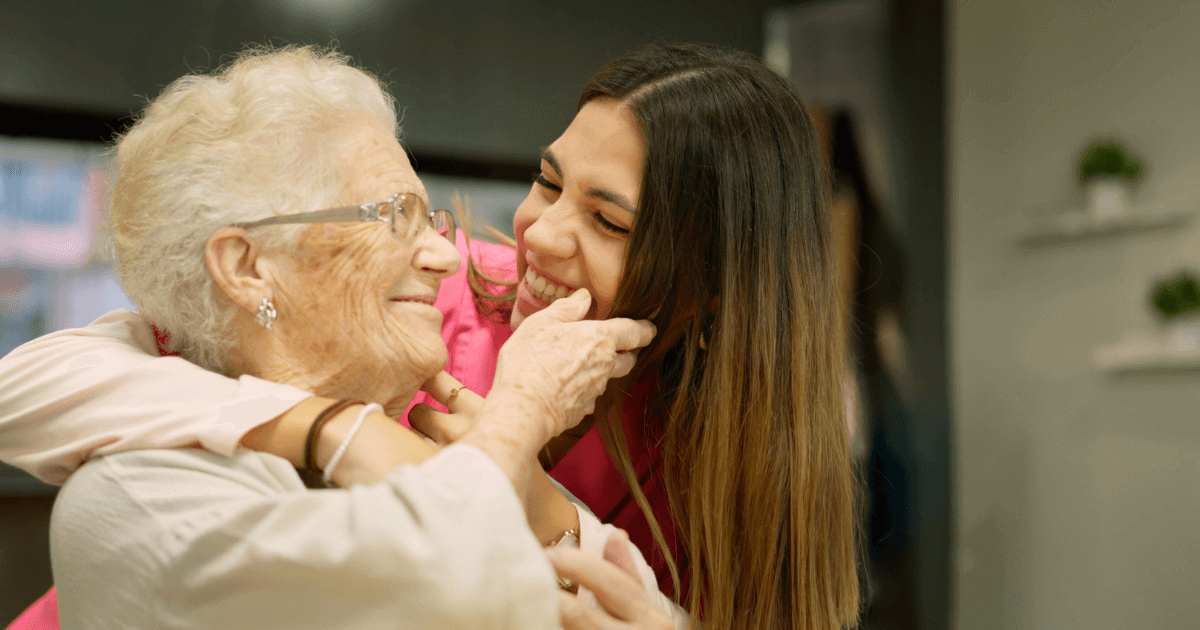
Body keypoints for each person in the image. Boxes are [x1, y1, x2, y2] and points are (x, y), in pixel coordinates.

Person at [1, 43, 861, 630]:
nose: (536, 235)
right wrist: (343, 429)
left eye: (608, 222)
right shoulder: (444, 301)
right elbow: (31, 386)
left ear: (709, 292)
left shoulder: (725, 455)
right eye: (547, 182)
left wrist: (544, 506)